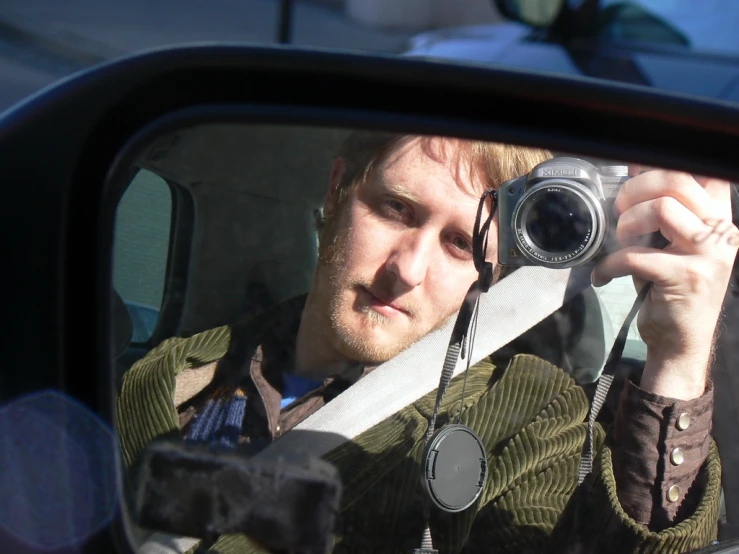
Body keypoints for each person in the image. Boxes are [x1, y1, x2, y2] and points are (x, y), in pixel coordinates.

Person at [118, 131, 737, 553]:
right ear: (336, 190)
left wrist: (676, 361)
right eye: (395, 209)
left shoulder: (531, 415)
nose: (407, 269)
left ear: (492, 270)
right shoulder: (171, 373)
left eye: (460, 244)